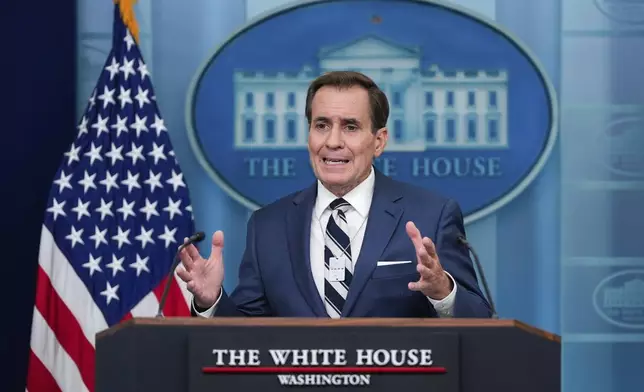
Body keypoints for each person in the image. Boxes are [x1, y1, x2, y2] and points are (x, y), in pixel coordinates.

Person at [177, 71, 492, 318]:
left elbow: (479, 320)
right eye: (322, 125)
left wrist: (442, 292)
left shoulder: (431, 216)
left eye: (351, 127)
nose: (333, 141)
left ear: (379, 141)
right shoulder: (267, 226)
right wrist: (211, 300)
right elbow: (246, 337)